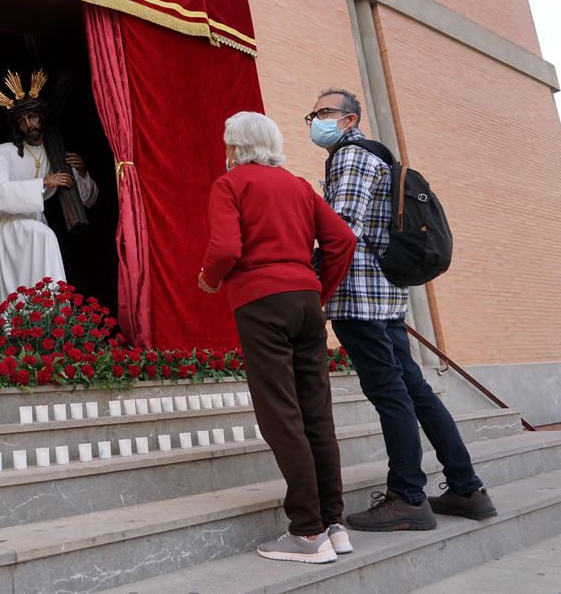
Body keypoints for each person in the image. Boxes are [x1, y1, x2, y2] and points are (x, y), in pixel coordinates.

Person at [308, 87, 497, 531]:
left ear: (350, 119)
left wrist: (312, 285)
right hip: (386, 294)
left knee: (390, 394)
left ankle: (407, 496)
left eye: (325, 112)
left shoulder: (351, 157)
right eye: (313, 114)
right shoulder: (379, 157)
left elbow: (341, 230)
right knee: (414, 391)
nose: (316, 120)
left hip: (361, 297)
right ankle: (467, 488)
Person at [199, 111, 357, 564]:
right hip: (306, 303)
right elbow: (342, 240)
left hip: (261, 303)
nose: (225, 151)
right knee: (316, 414)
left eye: (228, 143)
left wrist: (210, 280)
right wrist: (316, 288)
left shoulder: (230, 184)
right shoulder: (299, 186)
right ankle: (333, 525)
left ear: (236, 147)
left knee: (280, 415)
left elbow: (226, 248)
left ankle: (306, 533)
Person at [0, 70, 98, 304]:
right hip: (8, 221)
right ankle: (56, 311)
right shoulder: (4, 151)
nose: (29, 124)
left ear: (42, 118)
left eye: (33, 117)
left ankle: (42, 321)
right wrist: (44, 182)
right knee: (47, 238)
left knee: (34, 275)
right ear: (17, 125)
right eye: (23, 120)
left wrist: (82, 172)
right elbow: (1, 195)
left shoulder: (54, 153)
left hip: (36, 218)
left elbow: (87, 200)